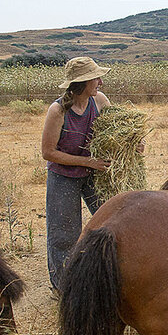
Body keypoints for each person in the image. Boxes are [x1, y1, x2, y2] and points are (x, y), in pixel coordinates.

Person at [41, 56, 112, 290]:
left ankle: (105, 272)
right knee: (64, 234)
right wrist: (87, 162)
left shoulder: (99, 101)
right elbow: (48, 152)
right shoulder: (58, 110)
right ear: (82, 83)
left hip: (94, 173)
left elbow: (118, 129)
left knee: (109, 221)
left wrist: (135, 142)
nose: (100, 82)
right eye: (96, 79)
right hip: (64, 176)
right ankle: (63, 287)